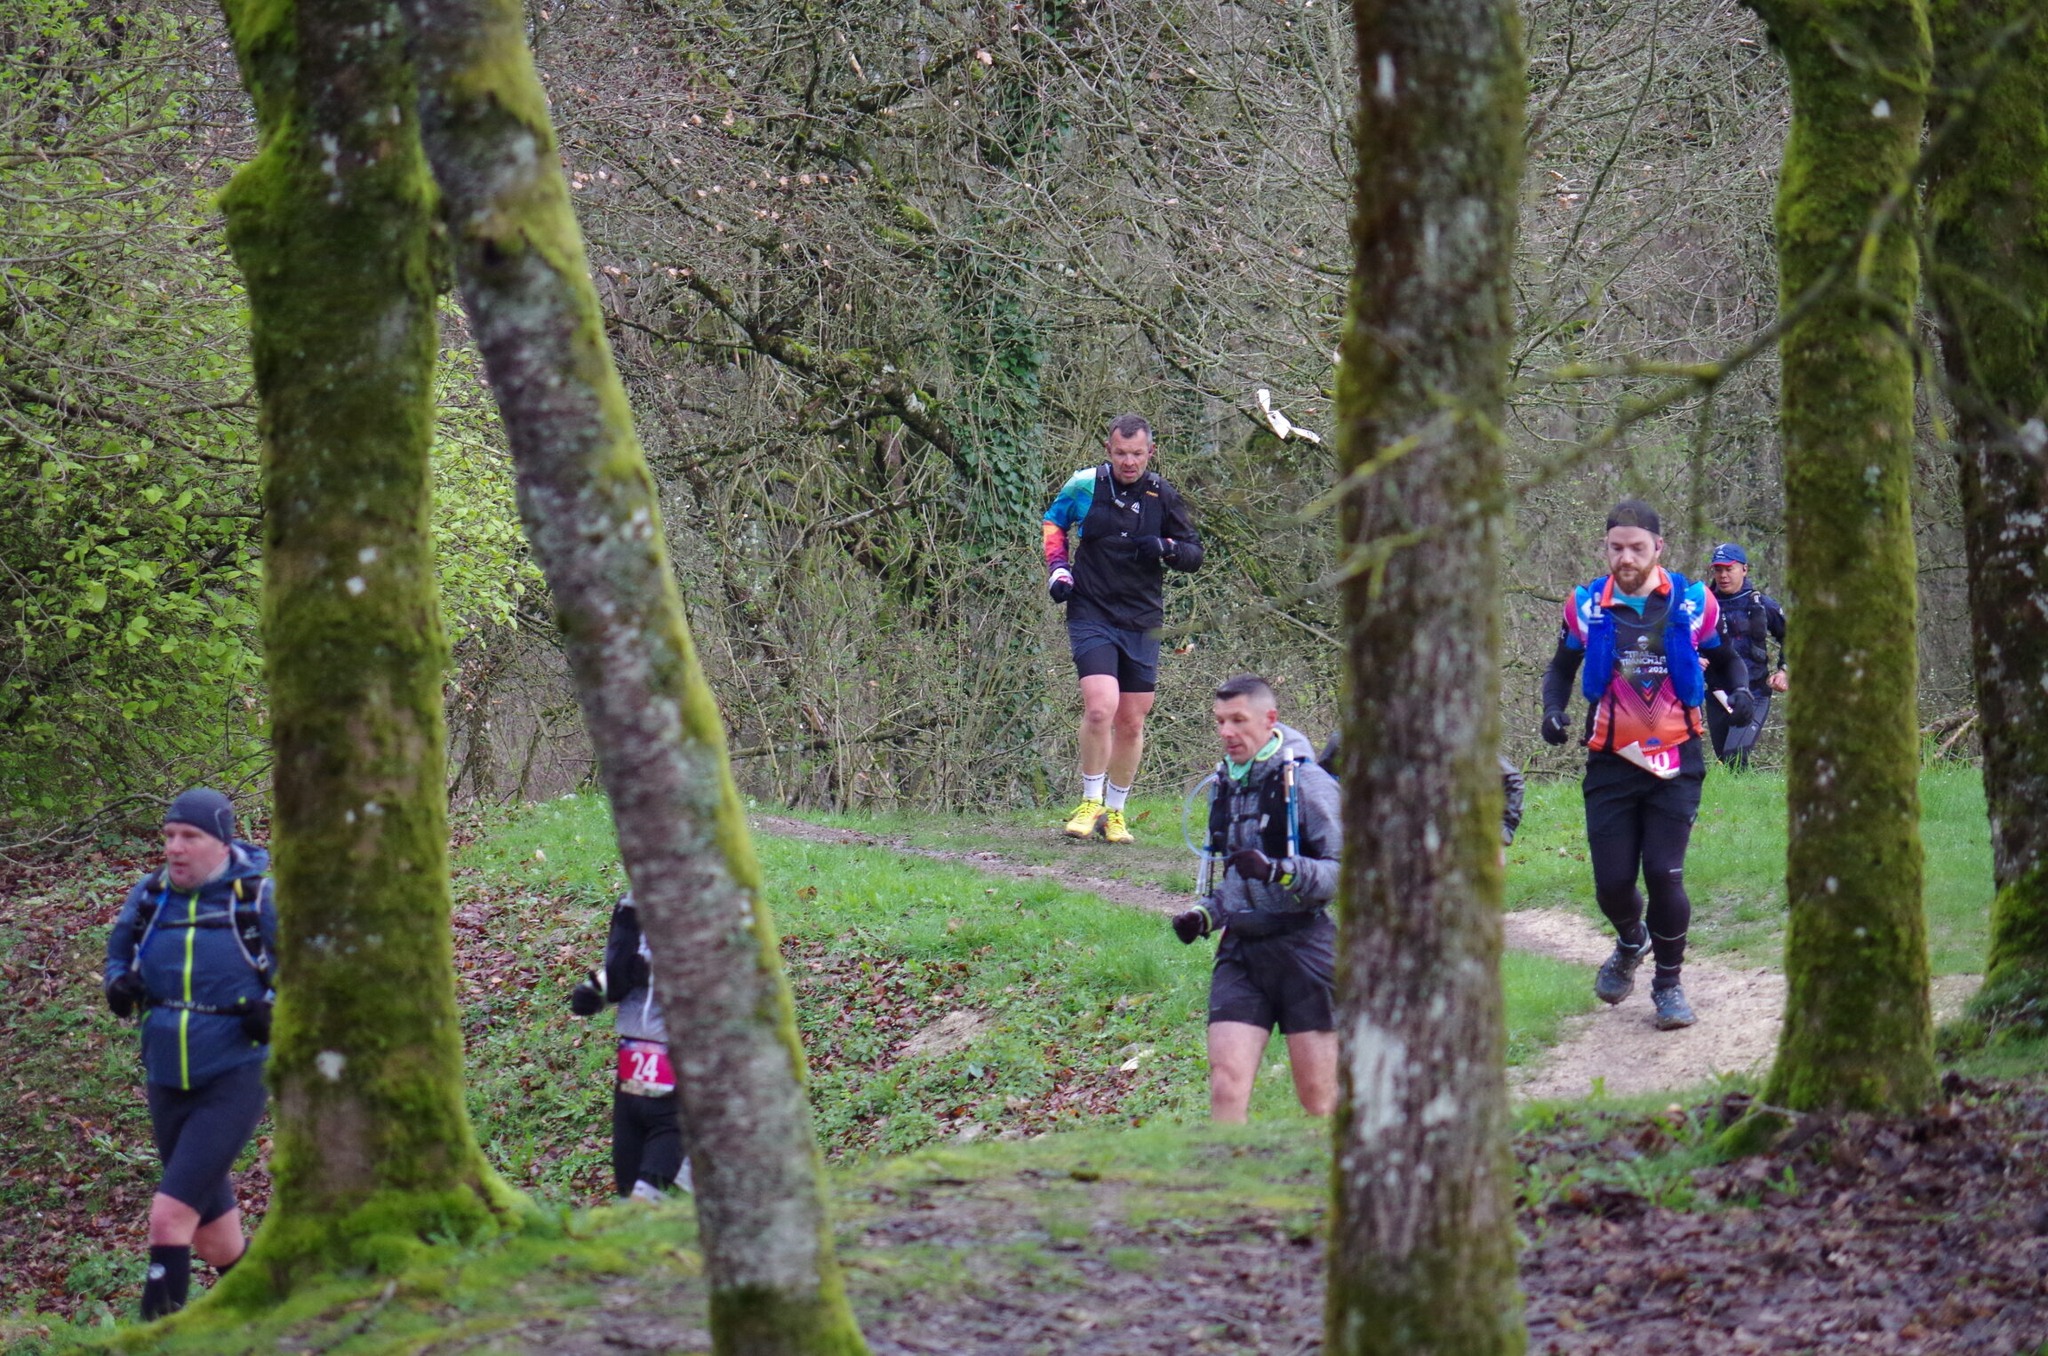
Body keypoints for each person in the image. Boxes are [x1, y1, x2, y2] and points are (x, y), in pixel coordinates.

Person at [1540, 501, 1751, 1031]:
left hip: (1677, 759)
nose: (1626, 557)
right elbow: (1561, 669)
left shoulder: (1693, 603)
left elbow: (1725, 658)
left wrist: (1742, 692)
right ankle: (1631, 940)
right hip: (1611, 763)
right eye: (1616, 547)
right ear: (1605, 548)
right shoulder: (1586, 607)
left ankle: (1668, 984)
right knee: (1612, 884)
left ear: (1659, 547)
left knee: (1663, 872)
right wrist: (1553, 711)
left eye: (1637, 547)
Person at [103, 789, 276, 1320]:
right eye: (169, 836)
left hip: (235, 1073)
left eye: (189, 837)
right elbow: (119, 948)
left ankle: (157, 1340)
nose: (175, 848)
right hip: (165, 1077)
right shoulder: (152, 895)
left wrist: (274, 1006)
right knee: (214, 1240)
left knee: (168, 1218)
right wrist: (119, 983)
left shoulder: (257, 898)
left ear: (220, 843)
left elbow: (314, 972)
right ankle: (267, 1321)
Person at [1170, 675, 1339, 1121]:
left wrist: (1279, 872)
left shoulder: (1308, 783)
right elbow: (1236, 881)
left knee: (1319, 1100)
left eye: (1238, 720)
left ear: (1269, 720)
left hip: (1306, 950)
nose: (1227, 732)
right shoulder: (1225, 785)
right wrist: (1203, 916)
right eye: (1220, 721)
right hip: (1242, 951)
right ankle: (1230, 1187)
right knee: (1226, 1083)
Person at [1043, 414, 1203, 844]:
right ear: (1108, 450)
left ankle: (1115, 812)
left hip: (1142, 619)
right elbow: (1054, 522)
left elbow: (1194, 553)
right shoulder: (1084, 484)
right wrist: (1058, 570)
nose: (1128, 462)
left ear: (1150, 452)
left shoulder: (1163, 494)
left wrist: (1166, 548)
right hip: (1091, 609)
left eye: (1136, 454)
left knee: (1131, 721)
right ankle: (1089, 802)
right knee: (1100, 708)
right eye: (1120, 453)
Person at [568, 894, 690, 1200]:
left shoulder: (709, 901)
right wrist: (598, 990)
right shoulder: (632, 902)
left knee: (649, 1202)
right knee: (627, 1201)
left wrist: (655, 971)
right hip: (632, 1082)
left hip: (682, 1086)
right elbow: (623, 968)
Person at [1702, 542, 1788, 770]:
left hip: (1754, 692)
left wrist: (1784, 670)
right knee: (1727, 762)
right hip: (1717, 694)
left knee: (1734, 755)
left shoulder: (1761, 604)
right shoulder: (1702, 604)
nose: (1723, 575)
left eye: (1729, 569)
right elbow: (1680, 639)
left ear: (1744, 569)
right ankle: (1736, 801)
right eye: (1718, 569)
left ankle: (1751, 801)